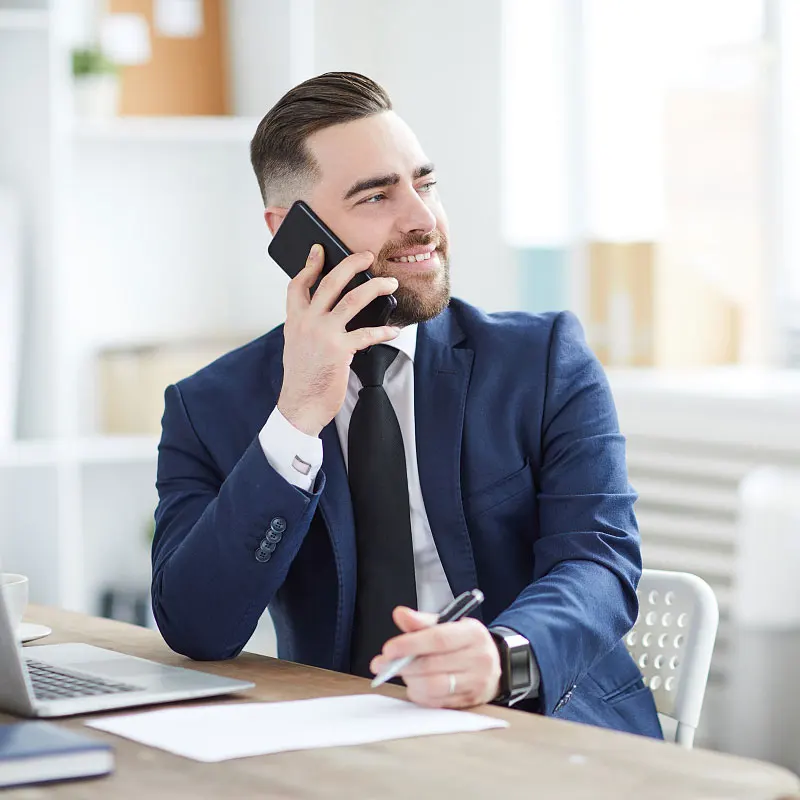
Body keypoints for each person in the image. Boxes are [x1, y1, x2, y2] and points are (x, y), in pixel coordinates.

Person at [151, 71, 662, 738]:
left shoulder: (542, 361)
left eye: (424, 183)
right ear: (290, 232)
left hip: (546, 732)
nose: (422, 219)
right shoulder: (210, 407)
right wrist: (297, 416)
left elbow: (599, 562)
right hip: (335, 746)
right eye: (376, 196)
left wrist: (502, 655)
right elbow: (196, 625)